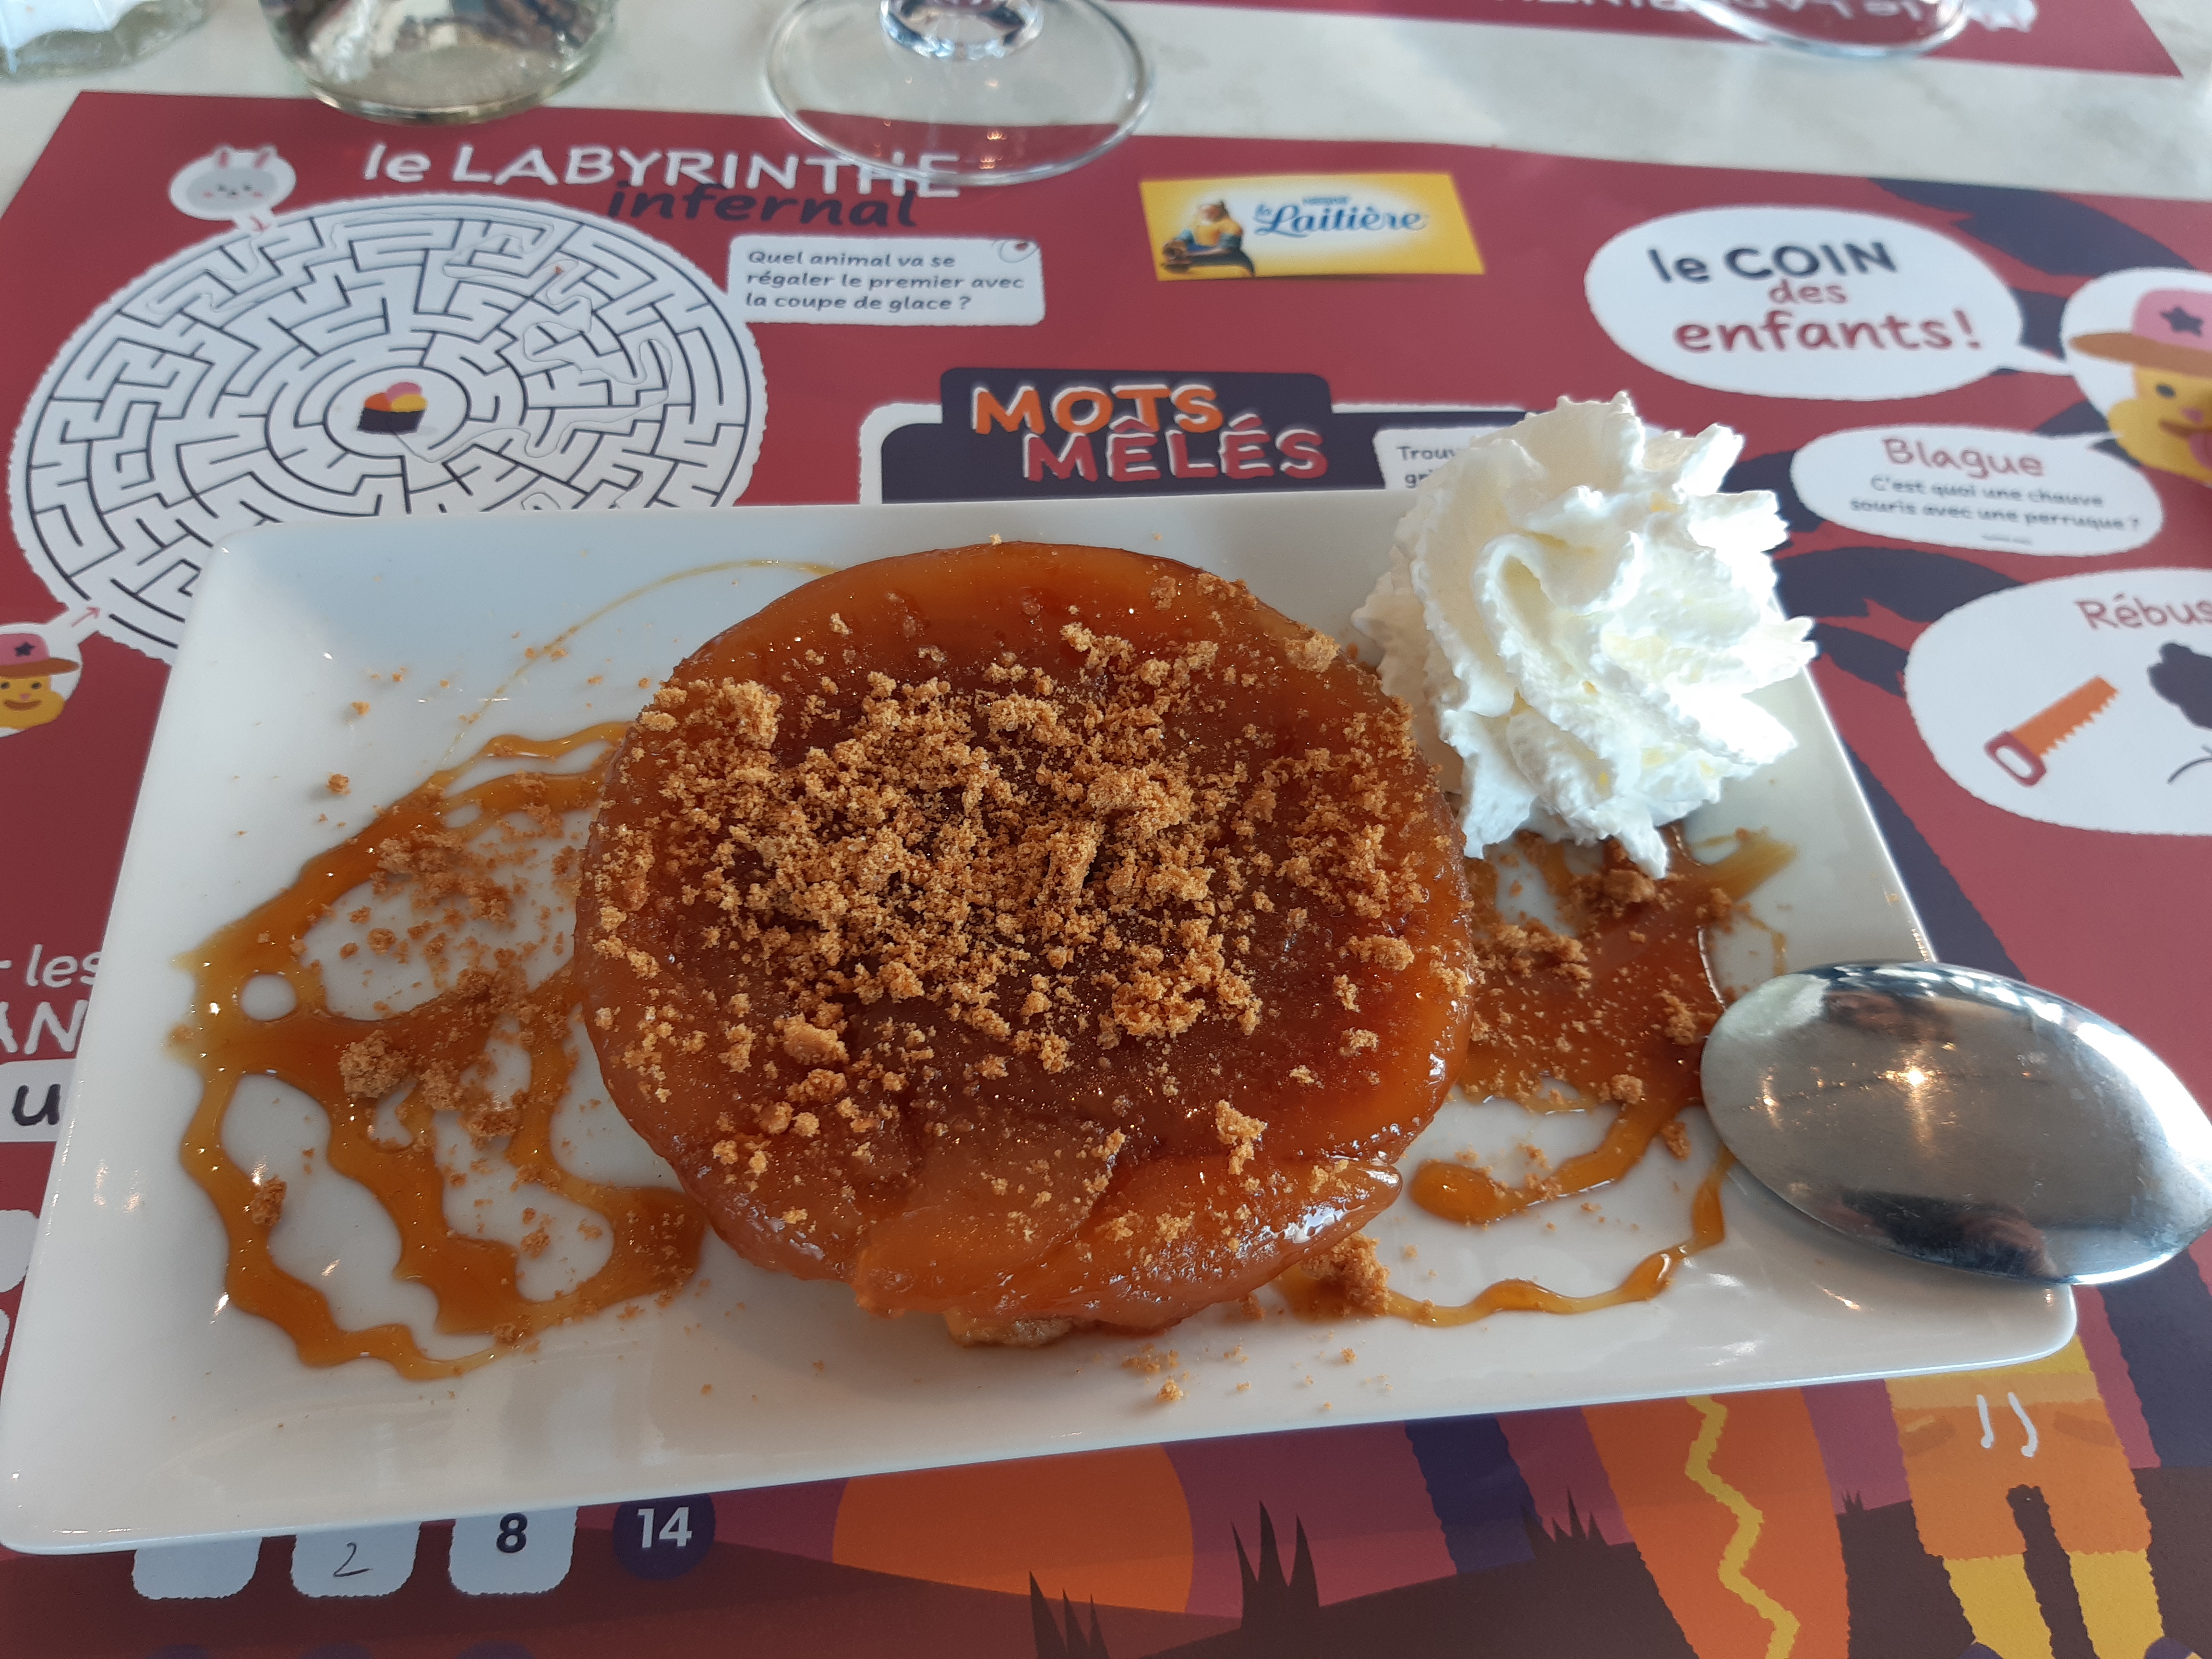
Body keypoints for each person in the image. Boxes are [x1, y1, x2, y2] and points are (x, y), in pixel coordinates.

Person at [1160, 201, 1253, 275]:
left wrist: (1190, 255)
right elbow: (1184, 238)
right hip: (1195, 253)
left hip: (1224, 257)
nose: (1207, 214)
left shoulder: (1231, 226)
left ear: (1220, 211)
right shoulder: (1197, 223)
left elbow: (1225, 250)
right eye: (1204, 211)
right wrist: (1174, 244)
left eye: (1210, 211)